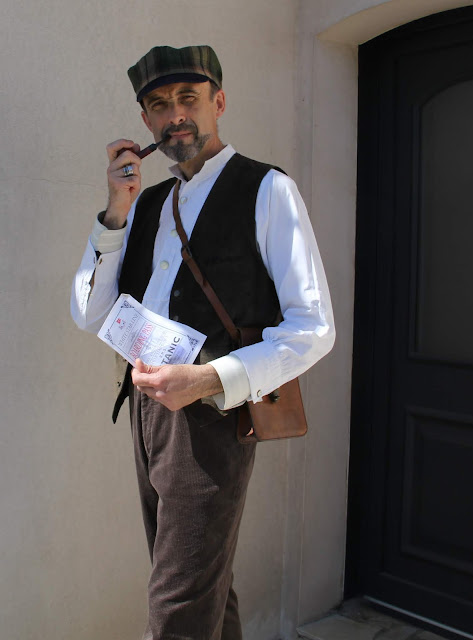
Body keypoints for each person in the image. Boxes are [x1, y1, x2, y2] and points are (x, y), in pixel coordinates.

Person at [71, 44, 335, 640]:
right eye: (159, 105)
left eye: (188, 98)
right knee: (205, 589)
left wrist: (208, 379)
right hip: (147, 414)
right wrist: (115, 210)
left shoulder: (267, 189)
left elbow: (314, 327)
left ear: (218, 102)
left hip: (214, 417)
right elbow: (91, 313)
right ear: (146, 122)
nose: (175, 116)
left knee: (178, 607)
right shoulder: (146, 205)